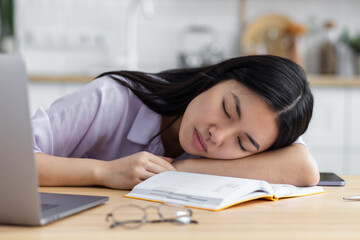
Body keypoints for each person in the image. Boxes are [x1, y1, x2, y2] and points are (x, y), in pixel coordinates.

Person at [32, 55, 319, 190]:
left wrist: (180, 170)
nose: (217, 137)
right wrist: (104, 172)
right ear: (219, 76)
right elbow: (7, 158)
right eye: (227, 110)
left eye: (242, 143)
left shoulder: (262, 128)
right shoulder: (114, 97)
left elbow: (305, 169)